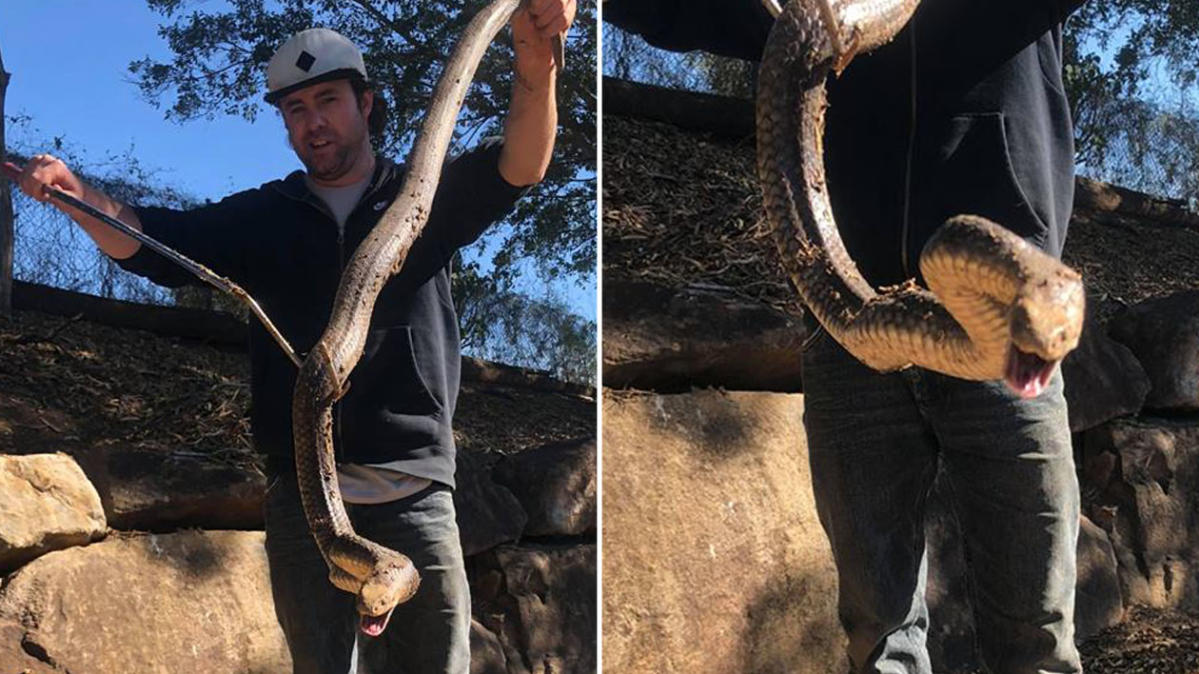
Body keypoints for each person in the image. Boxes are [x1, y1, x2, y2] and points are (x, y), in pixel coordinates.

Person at [16, 1, 575, 672]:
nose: (312, 122)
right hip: (305, 507)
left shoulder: (419, 195)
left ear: (365, 103)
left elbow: (521, 162)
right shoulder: (265, 216)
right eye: (295, 110)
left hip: (415, 493)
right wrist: (80, 197)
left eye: (328, 101)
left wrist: (536, 62)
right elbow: (156, 245)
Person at [606, 0, 1087, 672]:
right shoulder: (806, 9)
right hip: (845, 335)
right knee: (878, 637)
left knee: (1033, 642)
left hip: (1007, 328)